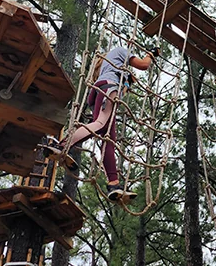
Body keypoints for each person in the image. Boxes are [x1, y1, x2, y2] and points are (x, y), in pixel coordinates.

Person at [44, 45, 159, 202]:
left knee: (108, 140)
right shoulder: (119, 51)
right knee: (100, 123)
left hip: (99, 92)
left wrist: (127, 82)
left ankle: (114, 184)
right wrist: (150, 54)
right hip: (109, 89)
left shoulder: (109, 69)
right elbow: (143, 65)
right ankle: (62, 146)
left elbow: (124, 88)